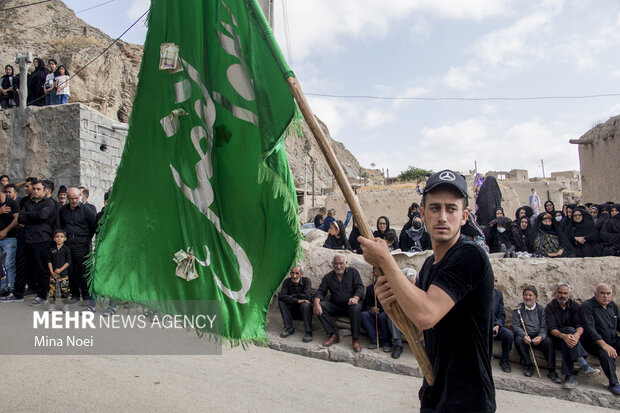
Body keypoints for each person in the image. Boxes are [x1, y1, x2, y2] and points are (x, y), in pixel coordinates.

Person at [361, 169, 496, 412]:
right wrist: (391, 308)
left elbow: (426, 313)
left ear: (464, 216)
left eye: (451, 209)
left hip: (468, 400)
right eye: (435, 208)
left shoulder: (470, 255)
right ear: (422, 214)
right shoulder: (430, 266)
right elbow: (420, 330)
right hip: (435, 392)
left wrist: (386, 260)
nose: (442, 216)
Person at [545, 282, 599, 389]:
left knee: (569, 337)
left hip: (573, 339)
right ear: (555, 293)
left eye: (565, 293)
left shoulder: (575, 306)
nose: (562, 296)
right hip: (557, 337)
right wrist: (564, 336)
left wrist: (576, 336)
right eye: (560, 293)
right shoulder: (550, 307)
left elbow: (580, 325)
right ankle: (582, 363)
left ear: (569, 294)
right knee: (567, 333)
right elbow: (552, 329)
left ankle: (569, 376)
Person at [10, 180, 56, 304]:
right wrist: (32, 216)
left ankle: (42, 295)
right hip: (26, 238)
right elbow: (21, 217)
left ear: (45, 190)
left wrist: (29, 216)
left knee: (42, 268)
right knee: (21, 266)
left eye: (38, 189)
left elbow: (43, 216)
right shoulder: (27, 202)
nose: (35, 191)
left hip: (41, 239)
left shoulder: (49, 203)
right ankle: (18, 294)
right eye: (34, 189)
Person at [313, 254, 364, 352]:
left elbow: (360, 287)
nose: (338, 266)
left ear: (346, 263)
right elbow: (321, 291)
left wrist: (355, 298)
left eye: (341, 263)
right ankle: (333, 335)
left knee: (356, 308)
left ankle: (356, 339)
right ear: (332, 264)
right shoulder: (328, 277)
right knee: (320, 306)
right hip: (335, 306)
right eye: (335, 264)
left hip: (350, 305)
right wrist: (316, 302)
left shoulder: (353, 272)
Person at [58, 187, 97, 310]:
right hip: (68, 244)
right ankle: (75, 294)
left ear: (79, 197)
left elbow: (93, 226)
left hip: (82, 244)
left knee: (84, 271)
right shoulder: (63, 210)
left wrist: (85, 239)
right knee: (70, 270)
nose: (74, 201)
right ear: (68, 198)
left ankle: (86, 295)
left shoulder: (86, 210)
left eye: (76, 198)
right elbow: (61, 225)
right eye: (72, 198)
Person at [512, 285, 561, 383]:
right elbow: (516, 326)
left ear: (535, 297)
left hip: (538, 335)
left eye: (530, 295)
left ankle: (551, 370)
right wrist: (524, 335)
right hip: (525, 335)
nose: (527, 297)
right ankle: (528, 365)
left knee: (549, 342)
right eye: (525, 295)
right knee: (518, 340)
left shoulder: (541, 310)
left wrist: (540, 336)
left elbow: (544, 326)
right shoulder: (518, 309)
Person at [580, 283, 620, 395]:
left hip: (613, 340)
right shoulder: (587, 306)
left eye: (608, 293)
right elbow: (590, 329)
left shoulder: (612, 306)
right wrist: (605, 345)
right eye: (602, 293)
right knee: (606, 354)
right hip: (594, 342)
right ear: (595, 294)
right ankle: (614, 383)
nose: (605, 296)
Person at [277, 265, 313, 343]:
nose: (294, 276)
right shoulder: (287, 281)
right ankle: (289, 328)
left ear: (301, 273)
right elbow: (281, 296)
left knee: (305, 304)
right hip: (292, 311)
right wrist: (297, 300)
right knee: (281, 302)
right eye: (292, 273)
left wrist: (291, 297)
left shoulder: (307, 281)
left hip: (304, 311)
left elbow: (308, 296)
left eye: (297, 273)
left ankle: (308, 332)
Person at [361, 268, 391, 351]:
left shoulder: (389, 287)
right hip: (374, 313)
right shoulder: (370, 288)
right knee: (364, 315)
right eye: (375, 271)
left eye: (379, 271)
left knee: (383, 316)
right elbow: (365, 305)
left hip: (386, 314)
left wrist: (386, 309)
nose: (377, 273)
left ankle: (387, 343)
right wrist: (371, 308)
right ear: (373, 273)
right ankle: (375, 341)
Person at [492, 275, 514, 373]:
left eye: (496, 281)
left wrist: (497, 325)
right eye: (492, 280)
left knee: (508, 335)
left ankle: (504, 361)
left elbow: (501, 315)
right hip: (482, 327)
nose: (494, 283)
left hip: (494, 326)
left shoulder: (498, 294)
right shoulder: (477, 292)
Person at [47, 229, 71, 312]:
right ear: (54, 238)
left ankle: (65, 304)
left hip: (63, 273)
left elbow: (68, 262)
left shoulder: (66, 249)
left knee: (64, 289)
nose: (59, 238)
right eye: (57, 237)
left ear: (65, 238)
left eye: (61, 237)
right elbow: (49, 261)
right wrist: (52, 272)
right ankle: (52, 304)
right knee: (52, 289)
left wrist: (60, 270)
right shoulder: (52, 249)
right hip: (53, 274)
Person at [0, 188, 18, 297]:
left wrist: (5, 231)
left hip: (9, 238)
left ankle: (12, 288)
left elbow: (17, 218)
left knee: (8, 264)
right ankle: (3, 288)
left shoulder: (11, 202)